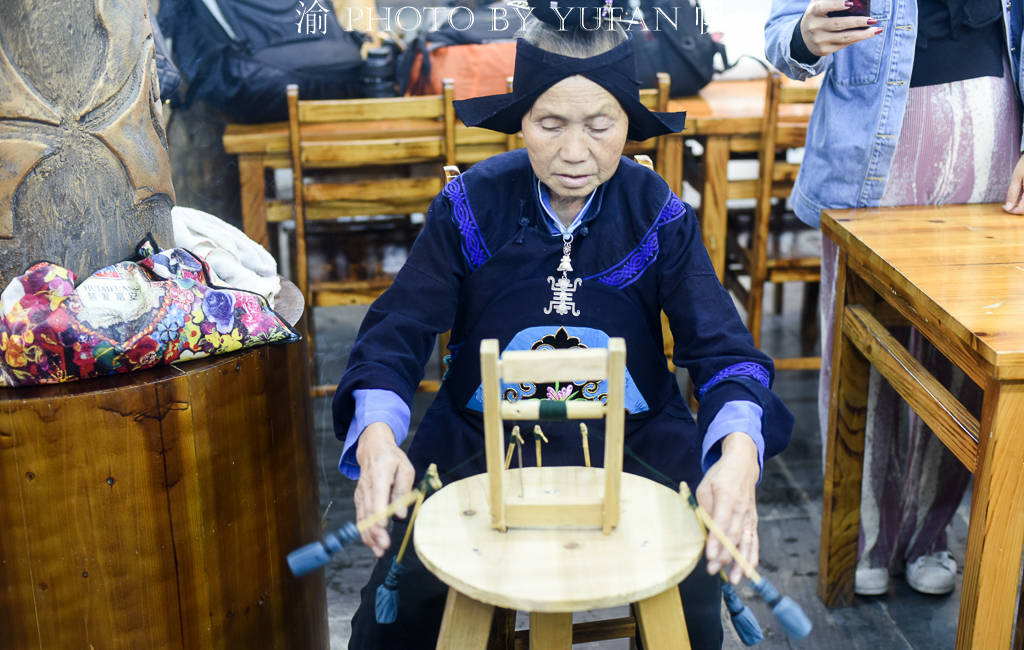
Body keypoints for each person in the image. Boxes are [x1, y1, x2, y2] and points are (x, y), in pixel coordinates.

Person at [333, 2, 794, 647]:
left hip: (635, 436)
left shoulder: (658, 213)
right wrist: (379, 438)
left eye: (600, 125)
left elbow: (724, 352)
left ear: (628, 124)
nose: (574, 153)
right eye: (550, 123)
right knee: (405, 599)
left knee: (691, 584)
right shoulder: (469, 203)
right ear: (520, 120)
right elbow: (397, 332)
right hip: (478, 434)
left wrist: (739, 459)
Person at [766, 0, 1024, 596]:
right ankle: (864, 539)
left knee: (963, 362)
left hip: (992, 156)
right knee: (864, 355)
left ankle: (931, 536)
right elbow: (782, 41)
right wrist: (805, 37)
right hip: (870, 170)